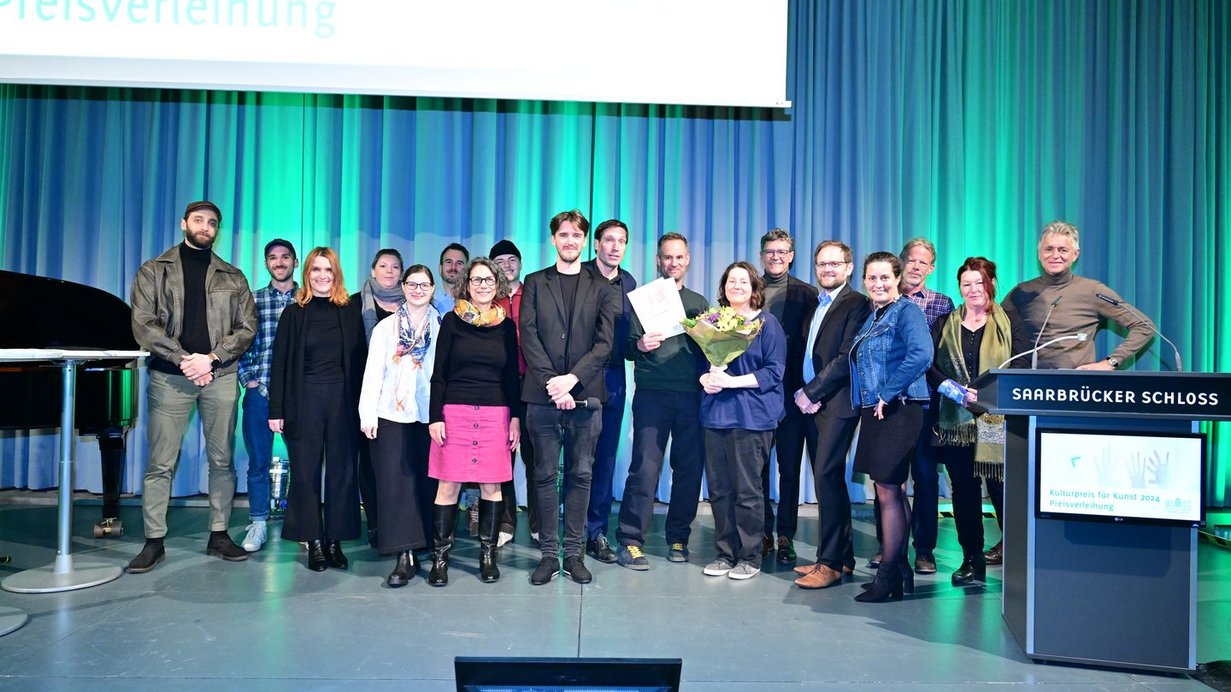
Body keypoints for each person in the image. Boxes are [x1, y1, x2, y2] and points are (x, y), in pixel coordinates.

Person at [996, 220, 1156, 564]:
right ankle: (1013, 541)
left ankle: (1070, 546)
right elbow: (999, 331)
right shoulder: (1021, 292)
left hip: (1073, 398)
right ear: (1039, 253)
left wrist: (1111, 362)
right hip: (1028, 398)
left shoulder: (1091, 289)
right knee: (1020, 474)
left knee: (1070, 475)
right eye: (1049, 249)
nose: (1055, 255)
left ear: (1076, 255)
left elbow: (1144, 327)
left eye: (1063, 250)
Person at [127, 200, 257, 573]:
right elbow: (143, 323)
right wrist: (185, 359)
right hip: (171, 377)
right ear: (185, 223)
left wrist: (211, 359)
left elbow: (247, 327)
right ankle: (154, 541)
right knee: (159, 463)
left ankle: (219, 534)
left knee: (222, 461)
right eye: (199, 220)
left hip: (220, 376)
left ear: (217, 230)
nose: (205, 226)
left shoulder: (233, 276)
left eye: (212, 222)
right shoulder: (154, 270)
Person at [520, 209, 619, 586]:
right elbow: (528, 337)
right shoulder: (534, 282)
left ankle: (574, 554)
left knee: (580, 475)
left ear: (585, 241)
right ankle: (548, 555)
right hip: (542, 398)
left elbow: (605, 343)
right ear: (553, 239)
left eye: (577, 235)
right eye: (563, 234)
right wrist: (552, 383)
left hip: (585, 398)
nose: (570, 241)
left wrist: (572, 381)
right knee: (543, 476)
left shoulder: (602, 286)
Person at [268, 247, 367, 572]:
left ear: (336, 275)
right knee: (306, 474)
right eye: (316, 270)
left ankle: (335, 540)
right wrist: (276, 409)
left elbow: (361, 362)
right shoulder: (293, 313)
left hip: (343, 401)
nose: (322, 276)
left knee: (342, 472)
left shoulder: (349, 311)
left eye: (328, 270)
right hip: (304, 401)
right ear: (307, 274)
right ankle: (313, 541)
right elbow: (279, 364)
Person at [614, 232, 707, 570]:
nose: (673, 263)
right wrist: (640, 346)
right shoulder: (641, 300)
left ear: (688, 260)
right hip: (652, 393)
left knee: (688, 469)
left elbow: (710, 353)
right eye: (667, 257)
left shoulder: (699, 303)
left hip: (691, 397)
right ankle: (630, 540)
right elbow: (623, 348)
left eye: (679, 257)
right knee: (644, 468)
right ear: (658, 260)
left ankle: (678, 537)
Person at [427, 258, 522, 585]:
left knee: (491, 486)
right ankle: (440, 558)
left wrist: (515, 419)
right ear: (466, 285)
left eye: (489, 280)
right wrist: (435, 416)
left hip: (496, 413)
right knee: (448, 484)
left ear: (498, 285)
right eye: (477, 280)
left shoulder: (507, 326)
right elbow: (438, 374)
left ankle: (487, 555)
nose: (483, 285)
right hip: (454, 413)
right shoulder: (452, 322)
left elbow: (511, 376)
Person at [847, 251, 933, 603]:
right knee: (890, 489)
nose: (878, 284)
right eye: (872, 278)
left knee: (887, 489)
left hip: (899, 407)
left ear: (897, 279)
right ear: (864, 281)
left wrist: (887, 392)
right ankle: (900, 570)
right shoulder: (873, 317)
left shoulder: (907, 310)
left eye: (885, 277)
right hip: (877, 410)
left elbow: (921, 354)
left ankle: (887, 575)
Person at [790, 240, 872, 589]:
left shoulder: (857, 304)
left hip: (837, 402)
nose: (827, 269)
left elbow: (846, 357)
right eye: (822, 264)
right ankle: (844, 558)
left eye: (835, 264)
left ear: (849, 267)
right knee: (831, 480)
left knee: (826, 475)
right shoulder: (816, 303)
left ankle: (830, 564)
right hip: (814, 403)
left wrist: (811, 392)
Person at [699, 261, 787, 581]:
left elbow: (774, 372)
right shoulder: (712, 321)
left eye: (743, 281)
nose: (737, 286)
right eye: (731, 281)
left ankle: (750, 557)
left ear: (754, 289)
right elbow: (702, 363)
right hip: (716, 415)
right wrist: (706, 379)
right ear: (723, 288)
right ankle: (725, 553)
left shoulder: (767, 324)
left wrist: (731, 382)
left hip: (753, 417)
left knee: (748, 491)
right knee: (720, 490)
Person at [927, 257, 1011, 585]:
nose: (973, 289)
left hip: (997, 421)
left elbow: (1021, 363)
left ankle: (1017, 556)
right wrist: (953, 390)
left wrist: (991, 395)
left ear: (990, 283)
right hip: (957, 420)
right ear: (959, 288)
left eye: (979, 283)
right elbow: (929, 364)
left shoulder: (1007, 322)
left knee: (1003, 491)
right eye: (966, 284)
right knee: (963, 492)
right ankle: (971, 558)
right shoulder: (945, 323)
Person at [358, 264, 440, 587]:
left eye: (424, 285)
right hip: (390, 414)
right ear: (403, 287)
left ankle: (431, 545)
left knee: (427, 482)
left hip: (429, 416)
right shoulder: (386, 329)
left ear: (433, 289)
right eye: (412, 284)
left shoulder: (443, 327)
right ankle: (403, 554)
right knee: (396, 484)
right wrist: (368, 415)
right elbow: (373, 373)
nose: (418, 290)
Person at [757, 228, 818, 563]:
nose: (776, 257)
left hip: (795, 398)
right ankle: (763, 531)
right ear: (762, 254)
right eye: (770, 251)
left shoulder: (808, 295)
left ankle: (785, 535)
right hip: (757, 397)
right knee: (758, 469)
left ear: (792, 256)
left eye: (782, 251)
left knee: (790, 469)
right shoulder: (749, 290)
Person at [236, 238, 298, 553]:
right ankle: (258, 523)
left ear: (295, 262)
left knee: (304, 462)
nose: (279, 262)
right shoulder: (253, 301)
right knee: (258, 462)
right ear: (266, 264)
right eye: (273, 258)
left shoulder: (308, 300)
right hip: (260, 392)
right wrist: (248, 379)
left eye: (285, 257)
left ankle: (303, 525)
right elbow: (240, 343)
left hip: (298, 397)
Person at [898, 237, 955, 575]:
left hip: (926, 404)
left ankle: (924, 550)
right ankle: (888, 547)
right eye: (912, 260)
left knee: (925, 477)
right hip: (888, 404)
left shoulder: (941, 303)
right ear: (902, 261)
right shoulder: (885, 296)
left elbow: (943, 356)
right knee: (888, 479)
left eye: (924, 262)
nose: (916, 266)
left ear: (932, 268)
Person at [582, 219, 637, 564]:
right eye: (609, 240)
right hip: (582, 377)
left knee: (604, 458)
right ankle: (569, 531)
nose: (615, 247)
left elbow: (629, 338)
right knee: (576, 457)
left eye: (622, 241)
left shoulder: (628, 283)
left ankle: (596, 532)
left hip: (615, 376)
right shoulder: (580, 277)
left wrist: (641, 345)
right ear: (597, 244)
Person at [353, 248, 405, 547]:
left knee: (399, 465)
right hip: (365, 395)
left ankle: (400, 524)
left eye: (395, 267)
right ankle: (374, 522)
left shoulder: (414, 304)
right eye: (383, 266)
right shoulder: (352, 304)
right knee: (370, 464)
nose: (389, 271)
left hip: (402, 399)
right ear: (373, 270)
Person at [491, 239, 537, 547]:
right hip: (499, 387)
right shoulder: (486, 299)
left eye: (512, 260)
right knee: (501, 457)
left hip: (531, 384)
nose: (507, 266)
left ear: (520, 263)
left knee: (536, 458)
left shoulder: (533, 294)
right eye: (501, 261)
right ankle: (505, 520)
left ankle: (538, 521)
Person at [434, 243, 469, 315]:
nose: (453, 267)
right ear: (440, 268)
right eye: (449, 262)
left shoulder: (475, 301)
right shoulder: (429, 300)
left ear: (467, 269)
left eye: (459, 263)